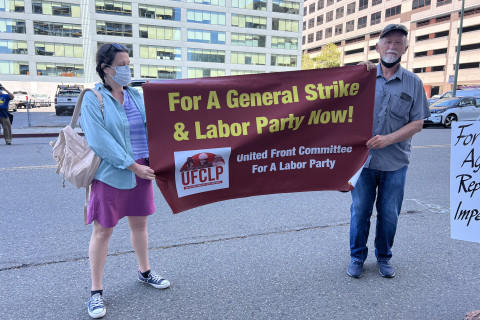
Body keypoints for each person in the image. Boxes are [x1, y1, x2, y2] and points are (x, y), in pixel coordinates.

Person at [80, 43, 170, 319]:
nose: (127, 70)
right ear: (106, 69)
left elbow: (154, 127)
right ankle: (96, 292)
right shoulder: (93, 98)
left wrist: (155, 159)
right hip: (113, 173)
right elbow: (99, 141)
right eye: (121, 65)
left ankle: (145, 272)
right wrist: (132, 166)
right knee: (103, 231)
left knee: (140, 225)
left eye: (128, 63)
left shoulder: (136, 95)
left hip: (143, 169)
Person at [347, 24, 430, 279]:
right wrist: (356, 70)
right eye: (387, 42)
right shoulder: (363, 77)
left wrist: (389, 139)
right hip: (364, 163)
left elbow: (418, 123)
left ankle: (384, 257)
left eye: (398, 43)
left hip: (395, 164)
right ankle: (357, 258)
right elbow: (335, 101)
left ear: (405, 48)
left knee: (389, 215)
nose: (392, 47)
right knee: (360, 212)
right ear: (377, 47)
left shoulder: (414, 82)